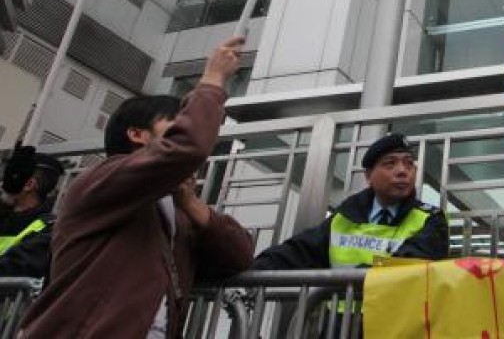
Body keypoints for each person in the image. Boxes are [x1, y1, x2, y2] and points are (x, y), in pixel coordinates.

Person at [18, 37, 255, 338]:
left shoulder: (175, 211)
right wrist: (213, 79)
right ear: (136, 135)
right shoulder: (100, 181)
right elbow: (188, 147)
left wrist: (192, 205)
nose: (184, 132)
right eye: (174, 126)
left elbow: (239, 257)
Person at [252, 133, 448, 271]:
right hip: (337, 328)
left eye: (408, 163)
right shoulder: (344, 216)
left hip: (394, 327)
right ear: (369, 176)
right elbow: (300, 251)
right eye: (390, 163)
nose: (403, 171)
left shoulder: (430, 219)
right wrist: (253, 267)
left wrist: (358, 279)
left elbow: (412, 264)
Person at [0, 148, 64, 278]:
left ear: (29, 184)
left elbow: (13, 269)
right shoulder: (4, 215)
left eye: (9, 177)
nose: (2, 185)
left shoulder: (48, 229)